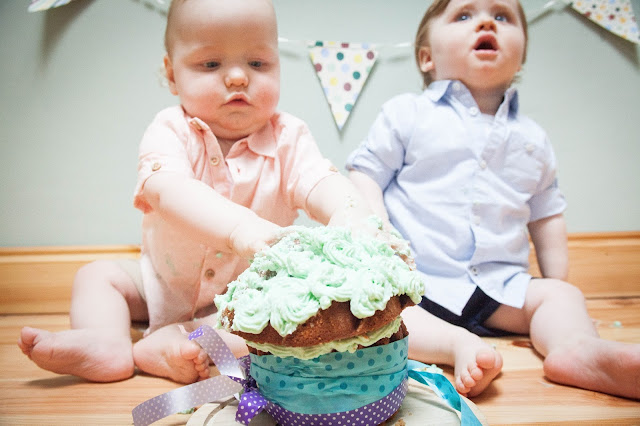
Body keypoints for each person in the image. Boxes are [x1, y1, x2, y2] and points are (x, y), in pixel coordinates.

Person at [18, 0, 378, 385]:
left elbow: (321, 181)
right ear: (171, 75)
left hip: (250, 300)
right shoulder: (170, 129)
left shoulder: (289, 137)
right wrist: (242, 228)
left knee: (282, 329)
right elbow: (167, 190)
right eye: (211, 64)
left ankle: (173, 348)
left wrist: (353, 214)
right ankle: (106, 342)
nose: (238, 77)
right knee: (96, 276)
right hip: (162, 283)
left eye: (258, 63)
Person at [347, 0, 640, 400]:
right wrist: (377, 239)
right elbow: (365, 173)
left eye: (502, 17)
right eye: (463, 16)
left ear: (519, 56)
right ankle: (454, 344)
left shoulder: (533, 137)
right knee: (374, 315)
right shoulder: (407, 114)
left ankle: (577, 351)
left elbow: (546, 213)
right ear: (427, 57)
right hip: (415, 283)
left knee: (561, 298)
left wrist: (555, 281)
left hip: (498, 287)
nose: (486, 21)